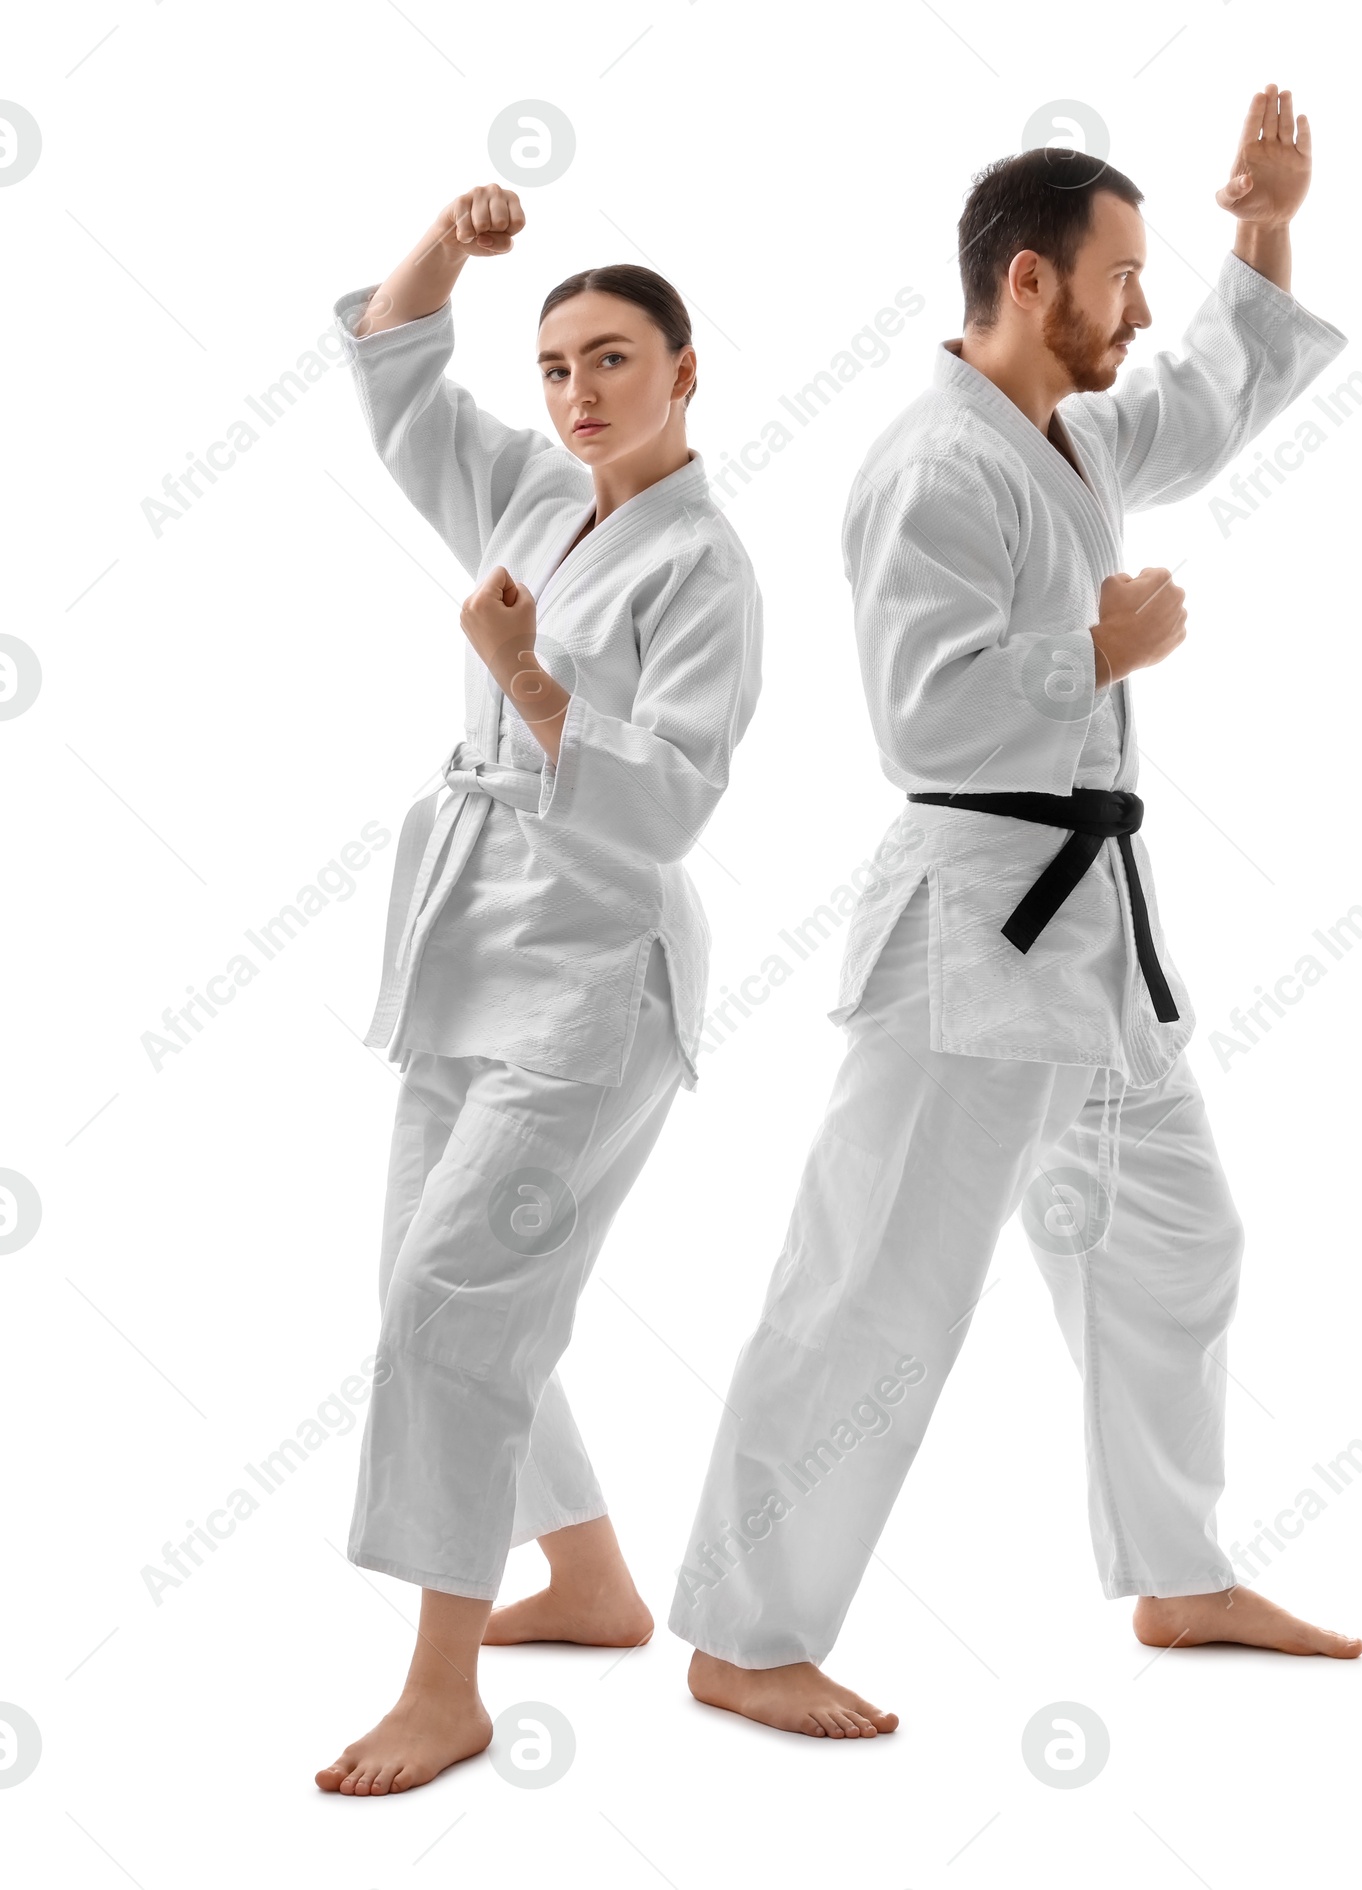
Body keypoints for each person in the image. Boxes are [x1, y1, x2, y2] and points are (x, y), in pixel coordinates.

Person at [669, 85, 1361, 1741]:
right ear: (1034, 281)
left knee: (1176, 1232)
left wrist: (1267, 224)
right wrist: (1096, 657)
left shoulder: (1066, 428)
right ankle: (745, 1632)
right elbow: (921, 718)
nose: (1142, 304)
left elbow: (1198, 405)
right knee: (880, 1282)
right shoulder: (929, 469)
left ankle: (1180, 1568)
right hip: (973, 931)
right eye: (1123, 276)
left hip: (1091, 929)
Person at [315, 185, 763, 1794]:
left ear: (685, 372)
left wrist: (526, 680)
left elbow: (673, 801)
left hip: (591, 985)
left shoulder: (705, 566)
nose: (579, 393)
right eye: (559, 363)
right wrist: (444, 240)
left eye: (615, 360)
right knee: (428, 1287)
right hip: (467, 953)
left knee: (452, 1309)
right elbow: (392, 372)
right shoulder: (524, 491)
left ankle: (440, 1689)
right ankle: (585, 1574)